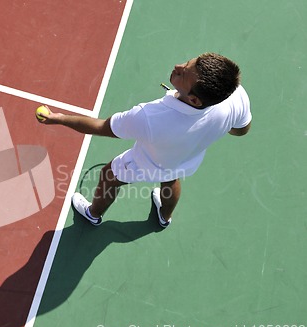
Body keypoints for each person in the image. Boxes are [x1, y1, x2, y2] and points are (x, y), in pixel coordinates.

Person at [37, 52, 252, 228]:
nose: (177, 65)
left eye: (183, 74)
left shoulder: (149, 117)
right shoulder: (233, 95)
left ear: (194, 99)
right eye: (187, 62)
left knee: (109, 175)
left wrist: (60, 118)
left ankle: (93, 213)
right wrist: (211, 127)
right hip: (186, 160)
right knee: (171, 179)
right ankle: (164, 218)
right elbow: (241, 130)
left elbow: (103, 127)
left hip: (147, 163)